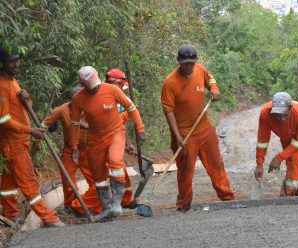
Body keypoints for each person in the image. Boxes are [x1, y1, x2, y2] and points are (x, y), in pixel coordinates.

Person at [161, 44, 235, 212]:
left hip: (204, 129)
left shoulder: (200, 70)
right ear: (179, 62)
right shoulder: (170, 83)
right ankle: (184, 204)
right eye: (185, 63)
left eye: (191, 63)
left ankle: (227, 198)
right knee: (186, 171)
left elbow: (211, 80)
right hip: (184, 133)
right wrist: (177, 135)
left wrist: (215, 90)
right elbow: (168, 111)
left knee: (216, 164)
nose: (189, 66)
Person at [70, 66, 145, 221]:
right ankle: (107, 208)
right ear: (83, 85)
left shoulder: (112, 90)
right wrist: (74, 147)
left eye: (96, 86)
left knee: (115, 161)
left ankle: (117, 204)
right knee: (99, 177)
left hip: (116, 133)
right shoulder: (79, 99)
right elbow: (75, 124)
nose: (94, 89)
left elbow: (131, 108)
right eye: (91, 88)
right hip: (95, 140)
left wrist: (140, 128)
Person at [0, 47, 64, 227]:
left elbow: (19, 108)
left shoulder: (12, 81)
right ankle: (49, 218)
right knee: (28, 181)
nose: (16, 65)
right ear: (2, 64)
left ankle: (10, 216)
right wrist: (31, 131)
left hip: (19, 141)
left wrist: (27, 100)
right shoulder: (2, 85)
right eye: (11, 62)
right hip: (13, 143)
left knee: (8, 184)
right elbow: (3, 119)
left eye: (16, 60)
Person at [254, 92, 298, 196]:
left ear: (290, 108)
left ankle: (292, 192)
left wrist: (279, 158)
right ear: (272, 108)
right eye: (277, 114)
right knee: (290, 160)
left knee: (294, 157)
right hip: (286, 133)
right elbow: (262, 141)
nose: (281, 118)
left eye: (284, 114)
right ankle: (296, 189)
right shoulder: (265, 113)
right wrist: (259, 164)